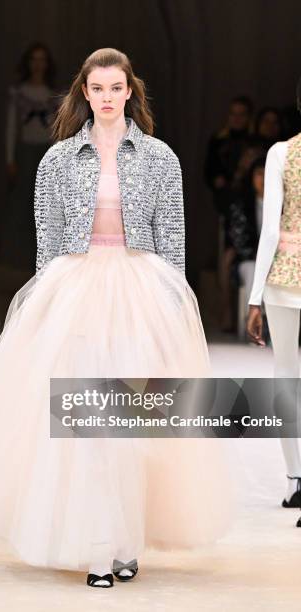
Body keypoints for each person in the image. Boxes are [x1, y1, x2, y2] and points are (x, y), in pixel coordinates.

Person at [0, 48, 234, 589]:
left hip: (141, 288)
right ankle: (99, 546)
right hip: (76, 288)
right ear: (84, 94)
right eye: (97, 89)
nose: (107, 98)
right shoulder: (56, 161)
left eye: (116, 88)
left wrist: (173, 306)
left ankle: (124, 542)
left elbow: (173, 236)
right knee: (85, 424)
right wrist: (47, 306)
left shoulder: (160, 158)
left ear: (130, 92)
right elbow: (48, 243)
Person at [247, 76, 301, 520]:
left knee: (287, 375)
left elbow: (270, 229)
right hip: (286, 276)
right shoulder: (280, 153)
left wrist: (253, 296)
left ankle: (295, 479)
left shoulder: (283, 153)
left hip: (287, 275)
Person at [0, 42, 58, 273]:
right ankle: (16, 255)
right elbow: (12, 127)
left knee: (44, 205)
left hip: (45, 151)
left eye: (42, 59)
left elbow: (55, 129)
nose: (38, 64)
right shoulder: (19, 93)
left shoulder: (52, 95)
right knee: (21, 203)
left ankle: (44, 255)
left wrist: (55, 159)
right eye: (34, 59)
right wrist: (10, 158)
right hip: (24, 151)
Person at [204, 96, 254, 332]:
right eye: (233, 113)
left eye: (241, 114)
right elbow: (210, 172)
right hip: (229, 205)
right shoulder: (219, 140)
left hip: (251, 202)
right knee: (228, 254)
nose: (237, 119)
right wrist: (221, 182)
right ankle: (227, 310)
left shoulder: (253, 141)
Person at [227, 157, 266, 333]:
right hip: (249, 259)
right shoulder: (242, 205)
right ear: (252, 177)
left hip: (278, 260)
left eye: (267, 173)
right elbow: (239, 240)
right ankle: (257, 321)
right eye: (259, 174)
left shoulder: (285, 205)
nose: (263, 179)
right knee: (252, 270)